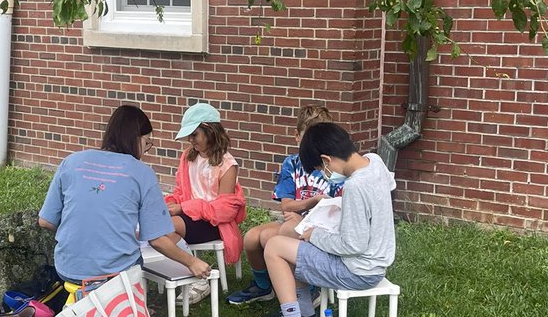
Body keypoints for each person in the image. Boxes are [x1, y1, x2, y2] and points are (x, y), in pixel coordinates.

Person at [246, 122, 396, 317]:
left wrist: (314, 234)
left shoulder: (355, 186)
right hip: (375, 263)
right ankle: (305, 312)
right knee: (290, 240)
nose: (324, 175)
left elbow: (352, 244)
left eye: (320, 169)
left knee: (275, 247)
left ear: (327, 160)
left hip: (357, 270)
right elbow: (387, 187)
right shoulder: (374, 162)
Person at [38, 104, 211, 291]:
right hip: (114, 272)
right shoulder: (142, 173)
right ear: (135, 139)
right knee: (135, 258)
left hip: (67, 268)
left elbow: (45, 221)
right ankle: (130, 307)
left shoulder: (71, 162)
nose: (146, 150)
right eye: (147, 143)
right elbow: (157, 240)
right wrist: (192, 262)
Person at [228, 103, 338, 306]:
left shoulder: (333, 166)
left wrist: (305, 214)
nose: (314, 146)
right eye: (308, 138)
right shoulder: (292, 163)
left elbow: (337, 209)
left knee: (276, 235)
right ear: (297, 136)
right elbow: (287, 206)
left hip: (320, 229)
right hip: (294, 221)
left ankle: (307, 290)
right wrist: (314, 200)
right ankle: (264, 287)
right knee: (252, 237)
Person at [165, 102, 246, 283]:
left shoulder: (227, 164)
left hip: (214, 223)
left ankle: (197, 278)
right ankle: (189, 275)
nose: (190, 140)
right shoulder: (188, 156)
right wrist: (170, 203)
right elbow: (181, 190)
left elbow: (225, 209)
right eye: (188, 136)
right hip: (188, 216)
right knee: (163, 228)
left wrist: (185, 208)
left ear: (211, 132)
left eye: (194, 135)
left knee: (168, 227)